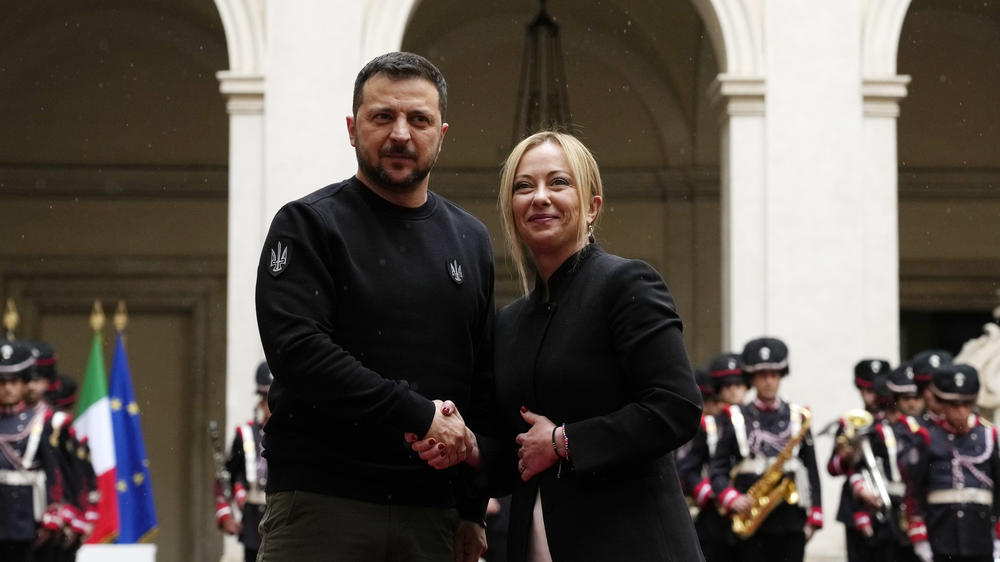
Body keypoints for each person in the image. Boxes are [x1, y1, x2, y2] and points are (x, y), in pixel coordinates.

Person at [254, 51, 494, 561]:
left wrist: (472, 508)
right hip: (321, 507)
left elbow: (481, 378)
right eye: (383, 116)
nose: (401, 134)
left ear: (442, 133)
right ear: (351, 127)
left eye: (419, 119)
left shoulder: (471, 240)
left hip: (433, 516)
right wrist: (418, 413)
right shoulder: (308, 225)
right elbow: (299, 353)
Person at [479, 130, 704, 561]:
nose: (540, 197)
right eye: (524, 186)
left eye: (558, 182)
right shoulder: (508, 323)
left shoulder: (626, 284)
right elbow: (513, 451)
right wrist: (463, 445)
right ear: (511, 210)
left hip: (633, 545)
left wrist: (565, 441)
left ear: (592, 207)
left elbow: (676, 407)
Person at [710, 336, 823, 562]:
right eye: (762, 375)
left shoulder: (798, 416)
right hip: (751, 516)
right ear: (752, 378)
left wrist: (816, 514)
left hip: (791, 519)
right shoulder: (735, 417)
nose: (769, 381)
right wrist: (731, 498)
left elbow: (811, 468)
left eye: (774, 374)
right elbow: (718, 468)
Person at [901, 364, 999, 562]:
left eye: (966, 404)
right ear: (942, 404)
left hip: (980, 538)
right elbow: (914, 490)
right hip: (941, 537)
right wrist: (920, 536)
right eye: (954, 405)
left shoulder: (988, 436)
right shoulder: (928, 438)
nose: (961, 411)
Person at [0, 341, 62, 562]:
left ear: (23, 384)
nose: (7, 388)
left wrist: (53, 510)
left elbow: (53, 471)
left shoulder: (37, 423)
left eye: (14, 382)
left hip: (23, 521)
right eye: (2, 382)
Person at [827, 359, 893, 562]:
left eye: (876, 390)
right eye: (867, 390)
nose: (872, 396)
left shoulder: (893, 424)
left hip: (889, 505)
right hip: (854, 507)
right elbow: (832, 468)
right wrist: (845, 456)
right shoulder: (849, 423)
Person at [676, 359, 738, 562]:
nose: (720, 406)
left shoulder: (729, 423)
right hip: (702, 507)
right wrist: (709, 493)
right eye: (714, 402)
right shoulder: (700, 426)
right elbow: (684, 466)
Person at [214, 362, 271, 562]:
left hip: (285, 523)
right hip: (252, 522)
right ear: (261, 401)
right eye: (267, 399)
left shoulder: (297, 437)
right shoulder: (245, 435)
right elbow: (225, 478)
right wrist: (226, 516)